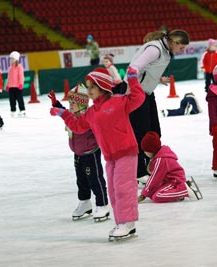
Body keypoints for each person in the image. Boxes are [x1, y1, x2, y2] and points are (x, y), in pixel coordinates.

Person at [50, 67, 145, 240]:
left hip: (126, 152)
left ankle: (128, 222)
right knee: (114, 190)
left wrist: (132, 79)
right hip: (110, 157)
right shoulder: (92, 113)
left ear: (102, 87)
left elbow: (138, 98)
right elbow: (78, 127)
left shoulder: (118, 102)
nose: (89, 91)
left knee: (124, 188)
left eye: (92, 87)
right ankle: (122, 222)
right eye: (88, 87)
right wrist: (63, 113)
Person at [127, 29, 190, 184]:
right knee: (141, 133)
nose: (181, 51)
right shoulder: (155, 49)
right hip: (136, 93)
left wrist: (157, 78)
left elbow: (147, 70)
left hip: (146, 92)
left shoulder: (164, 50)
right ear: (174, 42)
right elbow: (134, 68)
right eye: (181, 48)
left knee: (154, 132)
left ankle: (151, 167)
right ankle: (139, 172)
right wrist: (131, 89)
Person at [48, 84, 110, 221]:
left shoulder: (88, 116)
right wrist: (55, 103)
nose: (70, 105)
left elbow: (79, 127)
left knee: (95, 180)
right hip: (78, 154)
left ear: (82, 104)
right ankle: (85, 202)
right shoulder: (72, 114)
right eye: (69, 102)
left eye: (73, 103)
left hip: (90, 153)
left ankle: (102, 204)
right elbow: (64, 112)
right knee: (81, 181)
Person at [137, 132, 200, 203]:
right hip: (169, 181)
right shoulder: (158, 156)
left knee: (157, 196)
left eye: (145, 150)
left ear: (152, 150)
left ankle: (184, 190)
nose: (144, 153)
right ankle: (178, 194)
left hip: (175, 181)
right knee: (152, 194)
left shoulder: (161, 159)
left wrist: (143, 195)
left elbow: (154, 179)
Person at [5, 51, 26, 117]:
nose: (11, 60)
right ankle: (13, 110)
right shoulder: (10, 68)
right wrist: (7, 85)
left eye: (12, 58)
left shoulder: (19, 67)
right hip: (11, 87)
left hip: (17, 86)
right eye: (10, 58)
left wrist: (21, 83)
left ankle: (22, 110)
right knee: (12, 100)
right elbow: (9, 77)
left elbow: (21, 76)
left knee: (19, 99)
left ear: (16, 59)